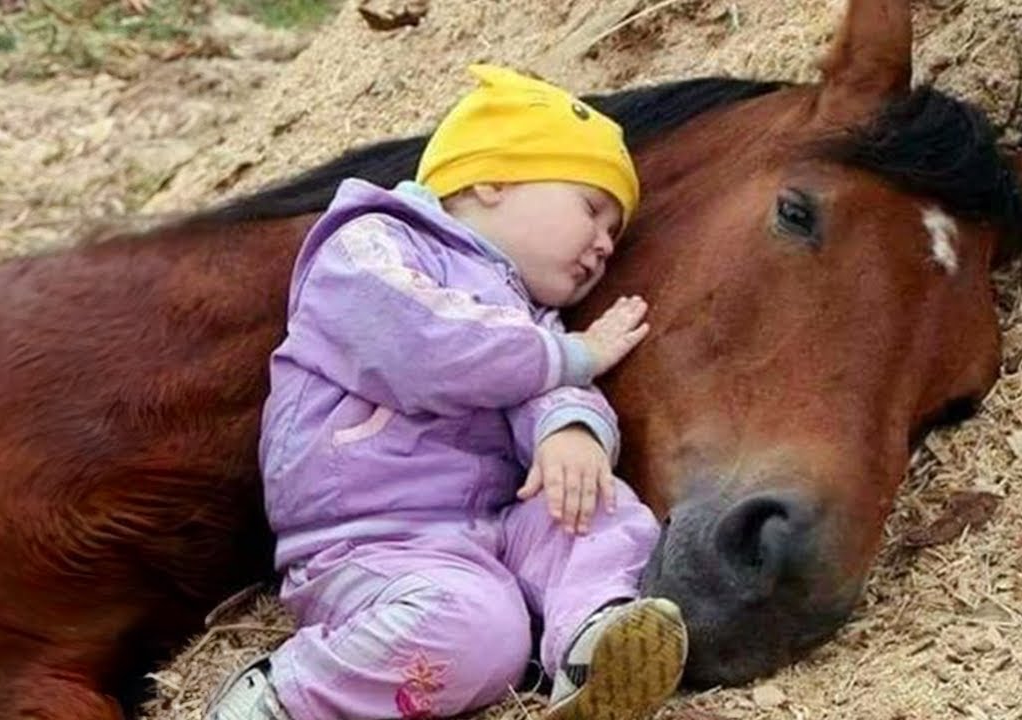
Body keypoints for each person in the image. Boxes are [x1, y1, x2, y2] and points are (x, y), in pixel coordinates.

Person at [203, 64, 687, 720]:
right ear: (493, 180)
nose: (604, 245)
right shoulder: (369, 246)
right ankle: (283, 699)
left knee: (590, 504)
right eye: (592, 209)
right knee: (480, 634)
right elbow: (432, 347)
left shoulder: (530, 321)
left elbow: (541, 382)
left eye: (614, 235)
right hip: (373, 538)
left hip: (489, 525)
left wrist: (571, 431)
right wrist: (573, 356)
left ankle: (594, 640)